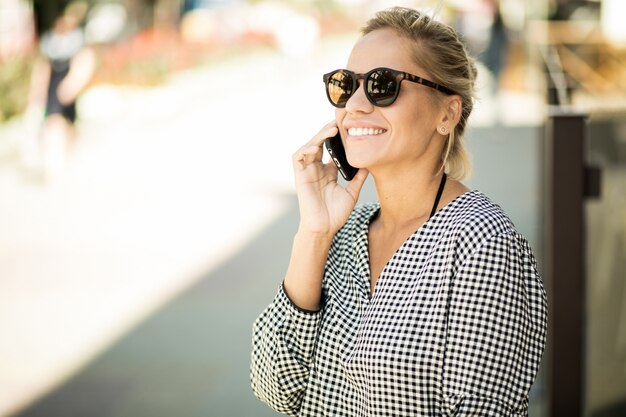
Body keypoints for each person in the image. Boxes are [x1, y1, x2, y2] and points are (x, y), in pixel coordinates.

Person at [251, 7, 547, 417]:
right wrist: (314, 234)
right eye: (346, 84)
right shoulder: (343, 231)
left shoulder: (482, 244)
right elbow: (275, 389)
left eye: (382, 85)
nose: (354, 104)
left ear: (447, 113)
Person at [25, 1, 94, 180]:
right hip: (54, 86)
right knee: (53, 122)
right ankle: (53, 163)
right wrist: (37, 90)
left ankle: (70, 157)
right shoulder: (50, 41)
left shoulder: (77, 39)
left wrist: (73, 84)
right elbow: (44, 66)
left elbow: (84, 61)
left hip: (68, 84)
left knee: (69, 123)